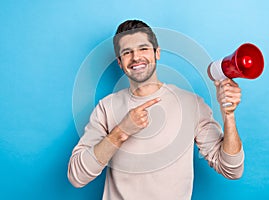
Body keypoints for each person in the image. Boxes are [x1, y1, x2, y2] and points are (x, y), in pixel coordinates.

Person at [67, 19, 244, 200]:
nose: (136, 57)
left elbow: (232, 169)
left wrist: (228, 116)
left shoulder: (191, 103)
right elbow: (77, 177)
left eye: (143, 48)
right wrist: (120, 133)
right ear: (120, 62)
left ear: (156, 53)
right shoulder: (106, 107)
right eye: (127, 52)